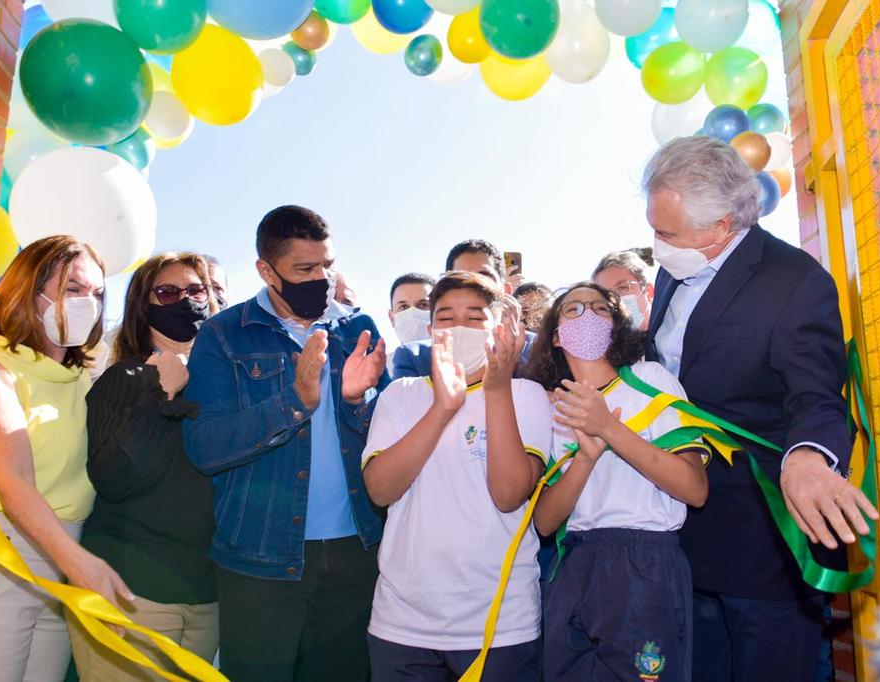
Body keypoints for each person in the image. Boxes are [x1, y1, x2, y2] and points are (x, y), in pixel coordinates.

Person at [641, 136, 878, 681]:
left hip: (764, 542)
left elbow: (814, 394)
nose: (656, 246)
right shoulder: (670, 270)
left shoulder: (794, 281)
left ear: (723, 224)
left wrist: (809, 458)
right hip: (683, 532)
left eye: (666, 233)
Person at [182, 205, 389, 682]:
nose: (321, 278)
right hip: (260, 559)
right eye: (305, 269)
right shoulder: (223, 334)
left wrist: (357, 403)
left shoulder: (360, 329)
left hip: (357, 552)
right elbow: (206, 447)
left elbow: (387, 439)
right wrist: (296, 401)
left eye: (327, 265)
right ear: (265, 270)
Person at [0, 236, 133, 681]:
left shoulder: (76, 379)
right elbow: (14, 485)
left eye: (96, 293)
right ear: (27, 292)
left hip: (57, 561)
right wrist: (83, 566)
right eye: (72, 289)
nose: (87, 303)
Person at [363, 271, 551, 681]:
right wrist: (443, 408)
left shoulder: (527, 396)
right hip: (402, 624)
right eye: (446, 317)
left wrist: (497, 390)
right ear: (430, 329)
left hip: (501, 626)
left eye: (475, 317)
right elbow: (380, 490)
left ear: (498, 327)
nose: (460, 328)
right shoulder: (401, 394)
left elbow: (509, 494)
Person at [525, 281, 708, 681]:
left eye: (600, 308)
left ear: (617, 325)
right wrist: (586, 460)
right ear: (555, 336)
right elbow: (545, 522)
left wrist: (608, 428)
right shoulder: (549, 405)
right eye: (572, 310)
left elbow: (694, 489)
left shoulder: (651, 379)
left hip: (645, 562)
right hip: (573, 564)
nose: (587, 315)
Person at [67, 252, 220, 679]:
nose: (185, 300)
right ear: (143, 306)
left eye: (196, 291)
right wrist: (162, 395)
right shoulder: (126, 378)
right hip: (133, 594)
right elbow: (114, 478)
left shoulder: (224, 387)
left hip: (206, 599)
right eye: (168, 292)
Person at [392, 239, 536, 379]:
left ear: (506, 290)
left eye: (484, 277)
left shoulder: (537, 349)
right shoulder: (414, 358)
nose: (473, 286)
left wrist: (512, 361)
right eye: (462, 277)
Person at [593, 249, 655, 331]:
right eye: (604, 295)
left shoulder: (675, 336)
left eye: (622, 288)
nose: (613, 300)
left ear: (649, 292)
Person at [388, 272, 436, 346]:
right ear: (391, 318)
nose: (412, 313)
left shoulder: (458, 355)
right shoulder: (387, 358)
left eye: (423, 305)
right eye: (403, 307)